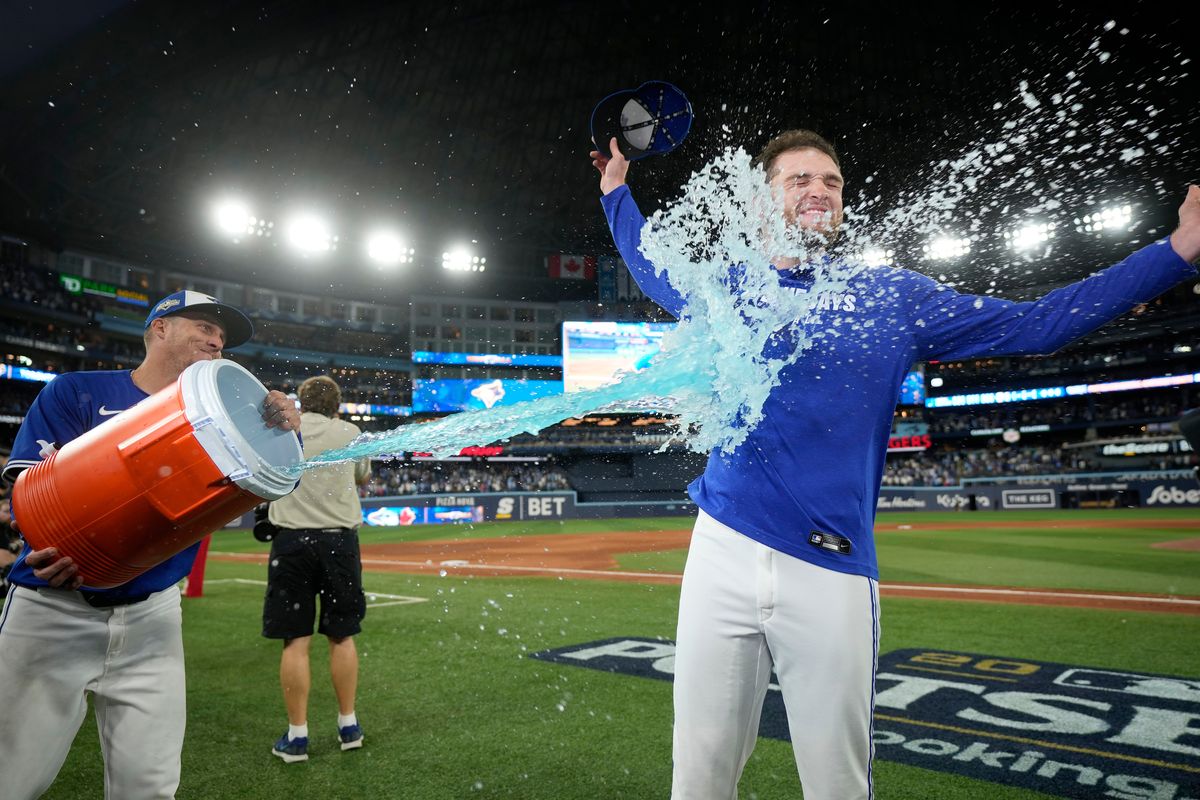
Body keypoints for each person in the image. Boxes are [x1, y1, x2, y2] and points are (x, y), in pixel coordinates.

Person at [589, 130, 1200, 800]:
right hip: (721, 549)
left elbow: (1040, 324)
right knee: (697, 776)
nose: (819, 190)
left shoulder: (890, 297)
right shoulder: (726, 288)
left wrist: (1177, 252)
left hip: (829, 565)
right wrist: (616, 191)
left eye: (832, 181)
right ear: (761, 201)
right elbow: (649, 262)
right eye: (799, 180)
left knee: (837, 785)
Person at [0, 290, 301, 800]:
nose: (217, 341)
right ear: (160, 328)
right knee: (11, 778)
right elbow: (29, 489)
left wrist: (281, 433)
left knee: (151, 786)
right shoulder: (77, 390)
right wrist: (43, 544)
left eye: (222, 336)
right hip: (52, 611)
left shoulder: (233, 417)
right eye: (204, 326)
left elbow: (276, 479)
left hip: (153, 617)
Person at [261, 375, 371, 763]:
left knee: (296, 640)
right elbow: (363, 476)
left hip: (292, 543)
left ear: (302, 402)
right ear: (336, 405)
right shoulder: (351, 432)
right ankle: (349, 726)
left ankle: (297, 737)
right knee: (342, 636)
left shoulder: (285, 429)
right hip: (339, 542)